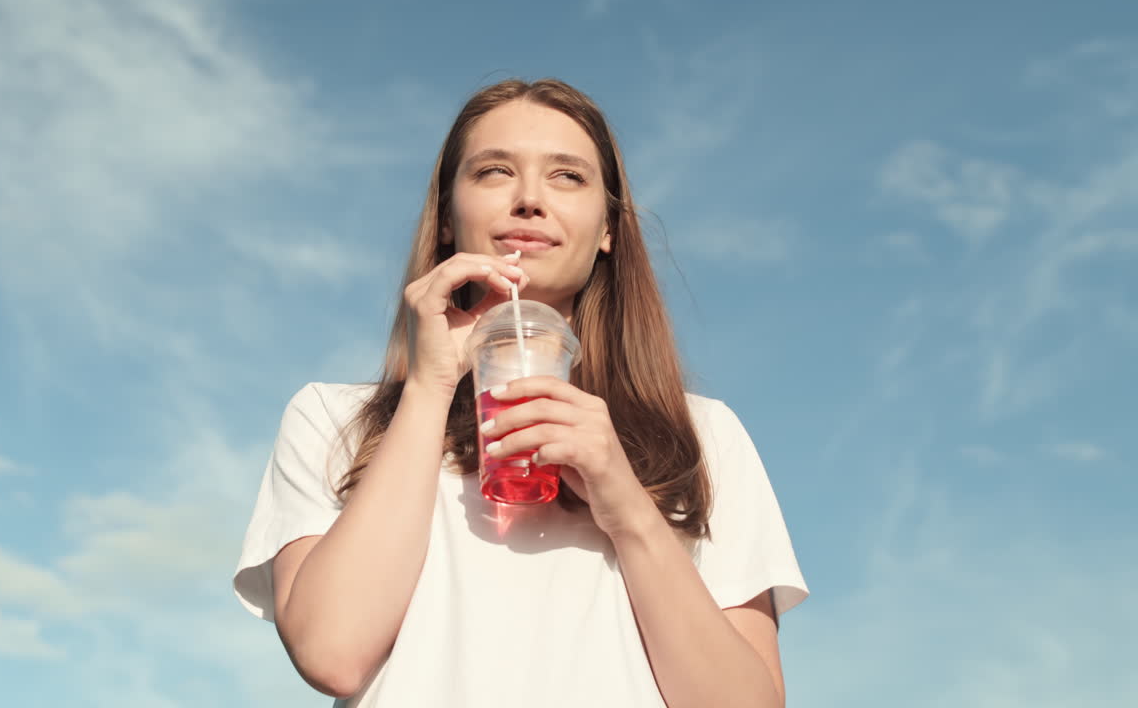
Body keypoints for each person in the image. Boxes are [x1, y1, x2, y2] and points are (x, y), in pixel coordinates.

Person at [233, 78, 808, 708]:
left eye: (567, 177)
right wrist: (429, 386)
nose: (529, 199)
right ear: (447, 218)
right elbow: (332, 654)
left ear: (609, 228)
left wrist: (627, 508)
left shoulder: (705, 435)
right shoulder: (331, 417)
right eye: (495, 171)